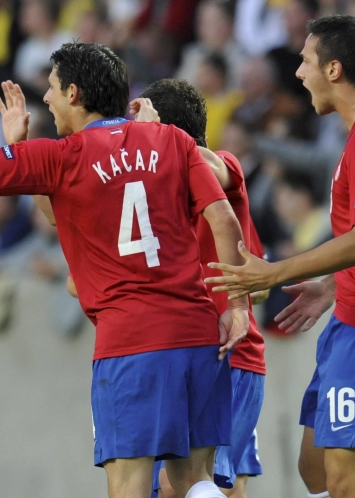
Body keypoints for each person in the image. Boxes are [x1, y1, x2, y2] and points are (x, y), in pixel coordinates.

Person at [0, 42, 251, 498]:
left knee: (128, 485)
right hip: (197, 333)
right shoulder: (172, 140)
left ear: (74, 93)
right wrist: (238, 307)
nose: (46, 98)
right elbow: (224, 220)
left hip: (130, 344)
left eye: (52, 88)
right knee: (194, 482)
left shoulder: (62, 155)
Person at [207, 16, 355, 498]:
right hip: (354, 317)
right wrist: (335, 284)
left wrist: (274, 272)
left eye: (306, 62)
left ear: (334, 70)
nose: (298, 73)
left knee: (347, 484)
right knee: (315, 471)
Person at [135, 79, 268, 498]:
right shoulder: (151, 192)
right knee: (203, 486)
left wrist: (157, 138)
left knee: (184, 485)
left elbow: (211, 166)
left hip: (228, 355)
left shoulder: (222, 166)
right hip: (181, 355)